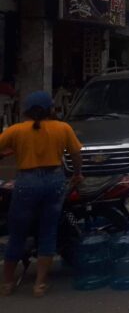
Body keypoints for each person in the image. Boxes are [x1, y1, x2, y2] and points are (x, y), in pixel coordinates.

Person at [0, 91, 83, 298]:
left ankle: (8, 283)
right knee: (48, 232)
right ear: (51, 110)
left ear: (26, 111)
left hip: (26, 182)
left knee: (17, 233)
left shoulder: (16, 131)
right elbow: (75, 154)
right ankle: (39, 284)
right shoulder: (62, 128)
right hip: (54, 181)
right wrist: (77, 174)